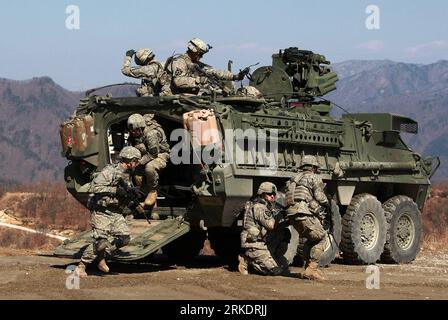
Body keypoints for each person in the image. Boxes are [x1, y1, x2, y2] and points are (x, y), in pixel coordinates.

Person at [77, 146, 142, 277]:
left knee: (124, 238)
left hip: (116, 212)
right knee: (100, 242)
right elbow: (95, 187)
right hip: (102, 211)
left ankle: (102, 257)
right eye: (136, 161)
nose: (137, 164)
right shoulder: (110, 171)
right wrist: (115, 191)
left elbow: (124, 194)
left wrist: (133, 200)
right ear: (129, 160)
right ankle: (82, 266)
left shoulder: (128, 174)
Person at [285, 155, 329, 281]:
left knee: (311, 239)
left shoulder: (294, 178)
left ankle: (307, 267)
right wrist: (327, 203)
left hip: (292, 214)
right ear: (314, 167)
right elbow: (320, 197)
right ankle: (312, 269)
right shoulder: (314, 177)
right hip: (303, 212)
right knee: (321, 238)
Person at [238, 182, 288, 276]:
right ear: (262, 194)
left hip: (261, 241)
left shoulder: (262, 204)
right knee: (273, 270)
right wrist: (280, 216)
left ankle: (272, 256)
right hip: (254, 243)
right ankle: (246, 258)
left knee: (284, 233)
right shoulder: (260, 207)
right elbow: (271, 225)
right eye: (269, 194)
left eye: (274, 194)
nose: (272, 196)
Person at [166, 37, 249, 95]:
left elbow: (214, 72)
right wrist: (199, 80)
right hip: (172, 95)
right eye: (200, 54)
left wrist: (235, 76)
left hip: (187, 95)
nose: (202, 56)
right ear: (194, 51)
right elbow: (178, 81)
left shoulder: (195, 64)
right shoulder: (179, 62)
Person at [127, 113, 170, 209]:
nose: (134, 133)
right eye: (132, 131)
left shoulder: (151, 133)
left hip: (160, 155)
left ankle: (153, 191)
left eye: (136, 130)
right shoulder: (134, 133)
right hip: (146, 155)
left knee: (149, 168)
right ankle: (148, 199)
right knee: (136, 172)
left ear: (141, 128)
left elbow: (153, 154)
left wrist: (139, 163)